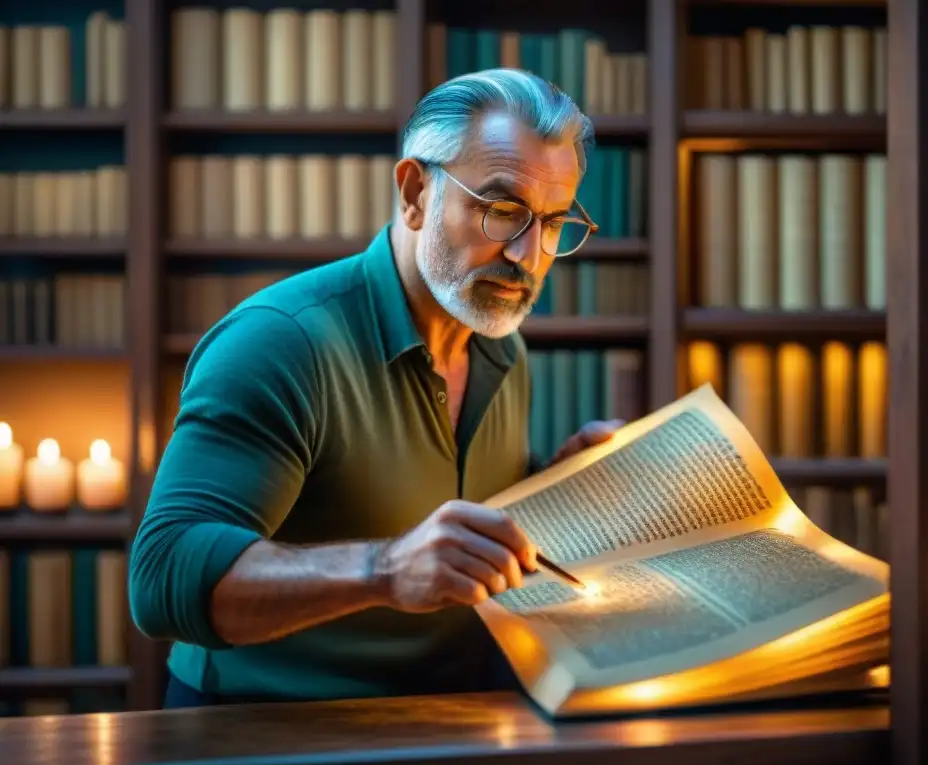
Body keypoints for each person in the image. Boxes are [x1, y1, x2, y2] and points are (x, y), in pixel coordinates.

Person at [128, 68, 622, 709]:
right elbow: (162, 576)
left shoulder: (501, 342)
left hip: (454, 721)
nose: (529, 254)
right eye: (504, 211)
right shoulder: (281, 341)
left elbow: (449, 516)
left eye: (555, 223)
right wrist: (384, 573)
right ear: (416, 192)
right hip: (270, 733)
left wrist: (557, 489)